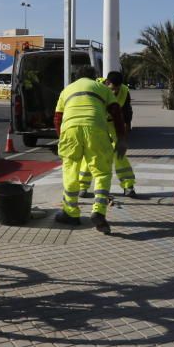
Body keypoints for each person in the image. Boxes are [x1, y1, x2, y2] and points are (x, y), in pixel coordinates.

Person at [53, 65, 128, 234]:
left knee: (70, 169)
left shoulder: (67, 90)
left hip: (70, 130)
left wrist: (62, 137)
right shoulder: (102, 88)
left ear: (76, 77)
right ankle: (99, 211)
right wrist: (121, 138)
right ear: (95, 77)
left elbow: (57, 117)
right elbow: (116, 113)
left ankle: (71, 213)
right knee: (102, 173)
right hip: (96, 129)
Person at [79, 71, 136, 198]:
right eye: (113, 89)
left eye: (117, 89)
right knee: (91, 151)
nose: (115, 92)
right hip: (97, 122)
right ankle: (82, 186)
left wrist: (126, 127)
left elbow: (126, 110)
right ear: (107, 82)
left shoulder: (124, 90)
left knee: (119, 151)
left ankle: (128, 185)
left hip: (113, 122)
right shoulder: (95, 85)